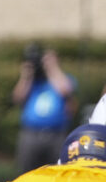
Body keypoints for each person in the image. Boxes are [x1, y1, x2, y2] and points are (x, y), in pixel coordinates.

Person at [11, 43, 77, 173]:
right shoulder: (32, 81)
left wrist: (52, 68)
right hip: (31, 134)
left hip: (56, 135)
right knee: (27, 174)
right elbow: (17, 98)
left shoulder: (62, 78)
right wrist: (26, 76)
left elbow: (65, 90)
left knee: (57, 173)